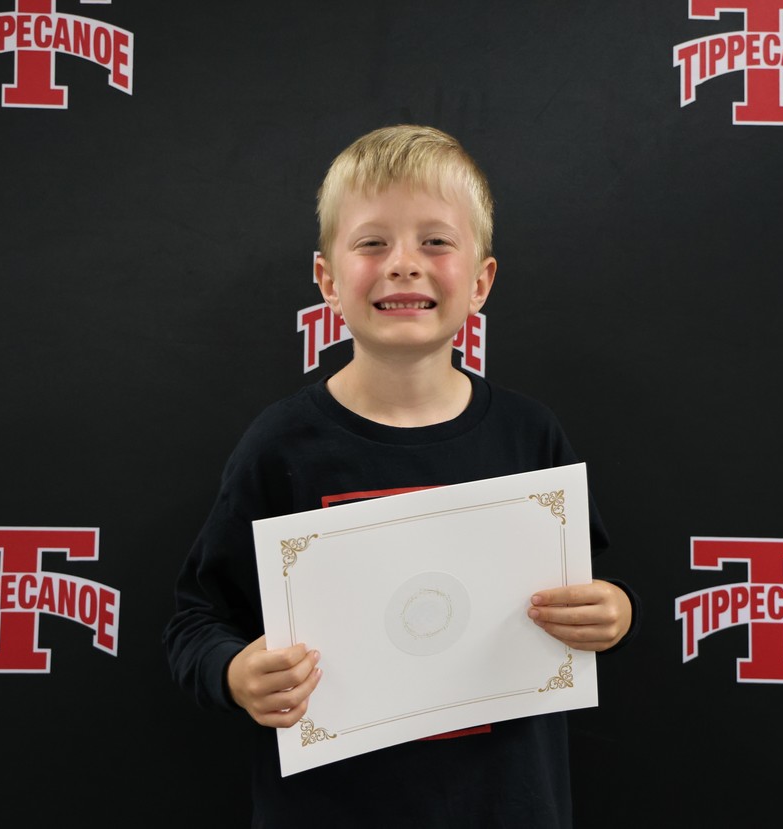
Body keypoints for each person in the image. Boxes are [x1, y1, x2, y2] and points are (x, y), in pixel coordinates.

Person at [163, 124, 640, 827]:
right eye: (372, 242)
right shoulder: (279, 445)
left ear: (480, 281)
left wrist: (614, 613)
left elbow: (587, 594)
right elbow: (195, 620)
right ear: (328, 279)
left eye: (436, 241)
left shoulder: (528, 434)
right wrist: (236, 674)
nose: (404, 264)